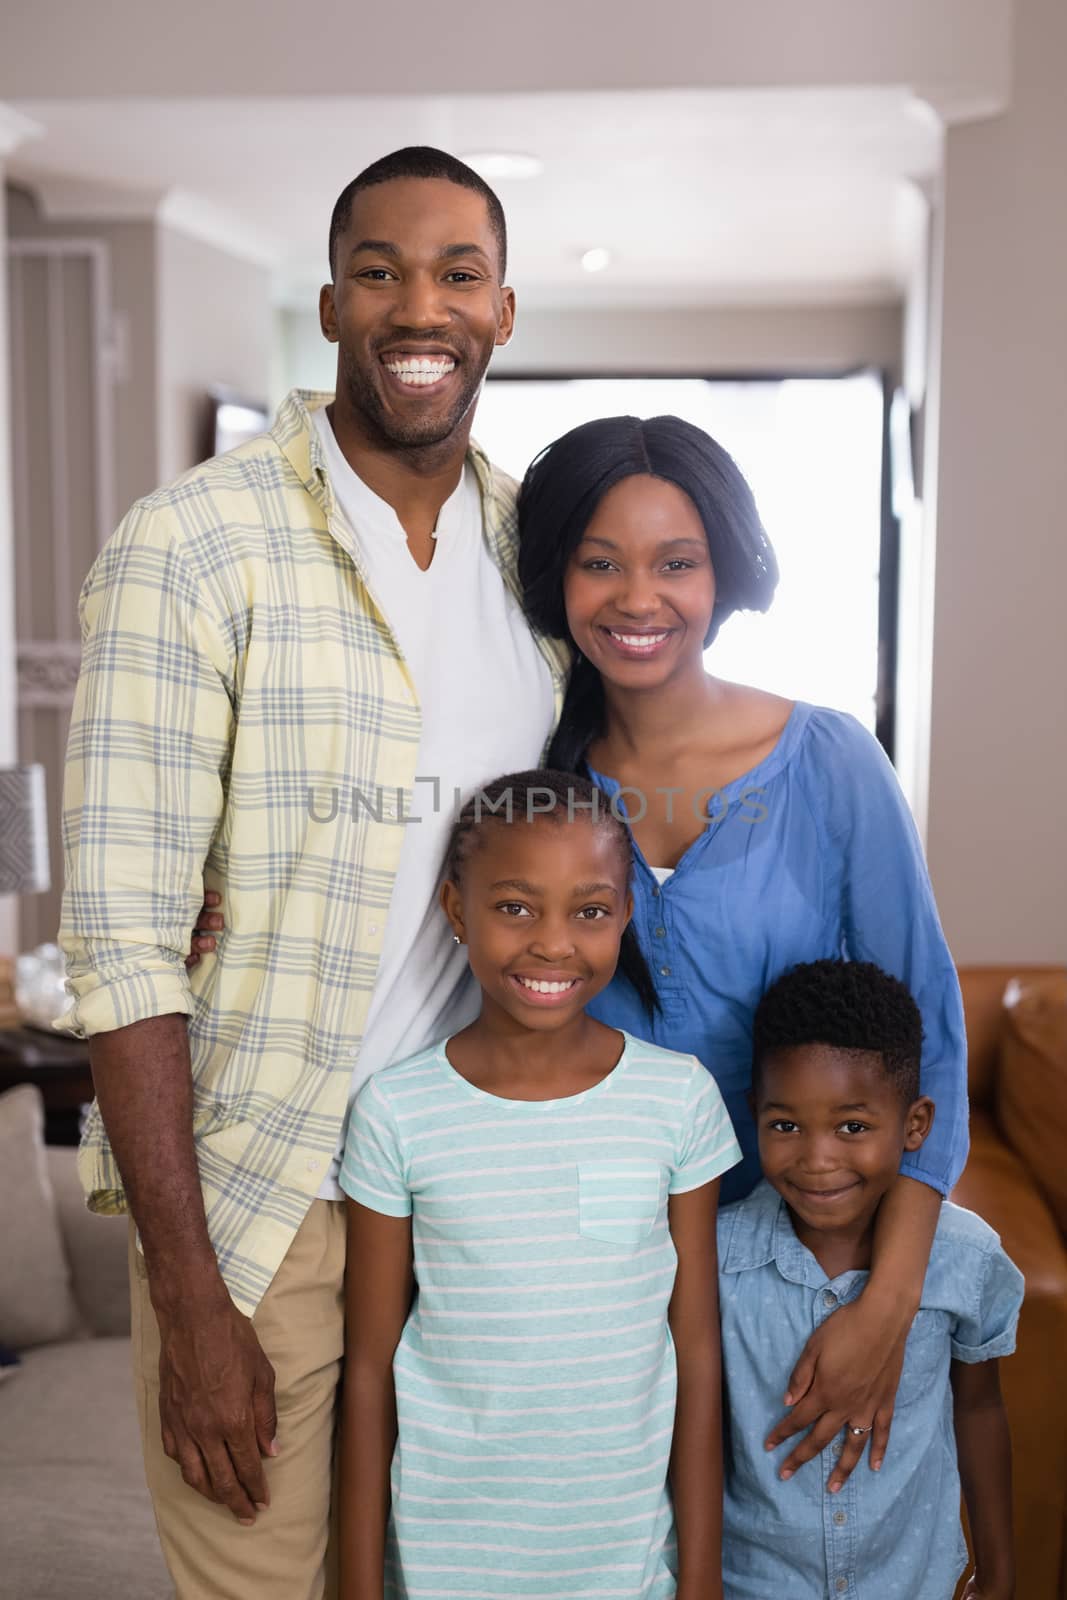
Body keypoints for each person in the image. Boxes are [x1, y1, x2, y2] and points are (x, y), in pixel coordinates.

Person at [58, 146, 567, 1599]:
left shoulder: (540, 551)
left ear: (504, 309)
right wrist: (189, 1299)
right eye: (380, 271)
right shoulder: (190, 545)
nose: (422, 307)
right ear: (334, 301)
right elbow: (124, 946)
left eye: (456, 273)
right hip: (266, 1193)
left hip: (474, 1185)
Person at [516, 415, 970, 1487]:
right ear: (556, 579)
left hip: (813, 1287)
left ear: (724, 570)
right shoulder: (535, 783)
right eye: (598, 563)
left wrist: (885, 1305)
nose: (637, 599)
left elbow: (931, 1050)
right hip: (597, 1288)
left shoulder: (827, 762)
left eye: (676, 562)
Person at [339, 770, 741, 1600]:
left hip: (625, 1570)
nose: (553, 944)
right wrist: (357, 1587)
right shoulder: (395, 1113)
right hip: (446, 1567)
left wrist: (701, 1582)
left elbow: (696, 1357)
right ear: (457, 911)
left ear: (625, 912)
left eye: (589, 911)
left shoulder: (678, 1100)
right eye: (515, 907)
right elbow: (370, 1370)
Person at [719, 959, 1021, 1599]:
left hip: (912, 1584)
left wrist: (999, 1566)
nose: (817, 1159)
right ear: (755, 1115)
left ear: (915, 1125)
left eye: (852, 1127)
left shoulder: (963, 1258)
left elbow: (979, 1405)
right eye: (786, 1125)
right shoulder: (717, 1261)